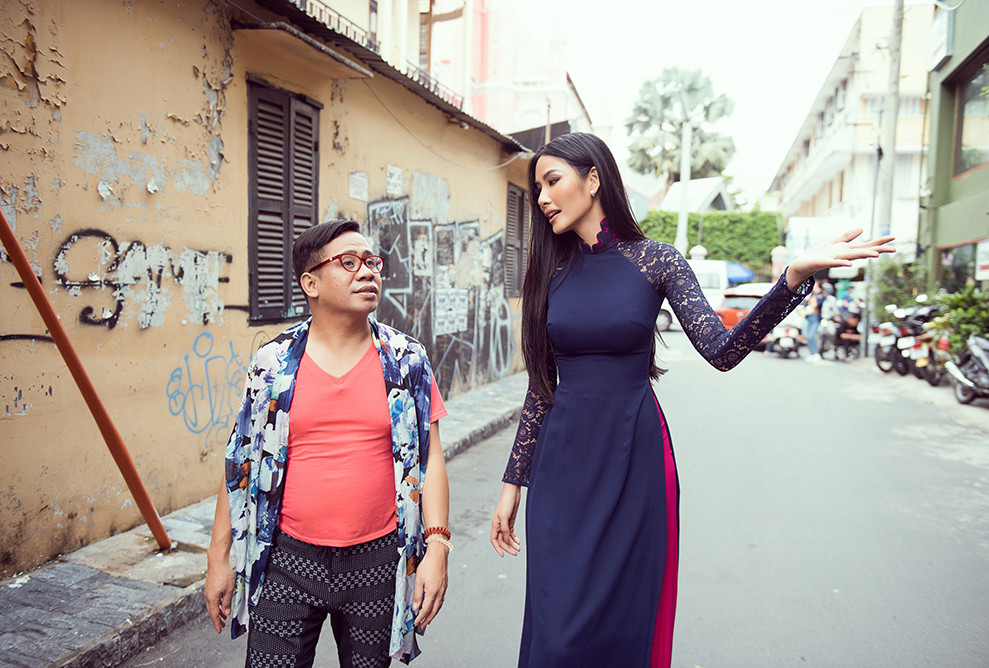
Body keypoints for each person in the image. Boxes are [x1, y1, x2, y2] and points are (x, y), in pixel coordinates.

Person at [488, 132, 894, 668]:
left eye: (552, 181)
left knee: (618, 624)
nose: (541, 197)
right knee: (555, 633)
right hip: (560, 468)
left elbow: (722, 351)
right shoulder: (550, 270)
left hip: (632, 459)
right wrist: (513, 483)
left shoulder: (657, 261)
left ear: (593, 179)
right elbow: (541, 385)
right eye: (537, 186)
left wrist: (792, 279)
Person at [204, 220, 451, 667]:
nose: (367, 272)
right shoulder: (274, 364)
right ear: (311, 283)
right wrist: (218, 558)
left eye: (372, 262)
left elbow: (430, 457)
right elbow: (241, 459)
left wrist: (437, 547)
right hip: (287, 560)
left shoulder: (406, 360)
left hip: (378, 562)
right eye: (349, 263)